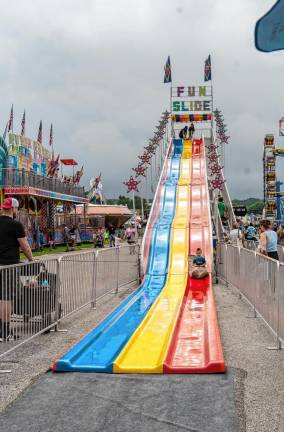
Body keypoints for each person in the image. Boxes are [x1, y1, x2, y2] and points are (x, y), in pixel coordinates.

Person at [0, 197, 33, 341]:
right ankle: (5, 332)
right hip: (9, 265)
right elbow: (24, 246)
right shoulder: (16, 225)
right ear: (13, 209)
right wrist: (31, 259)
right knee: (6, 298)